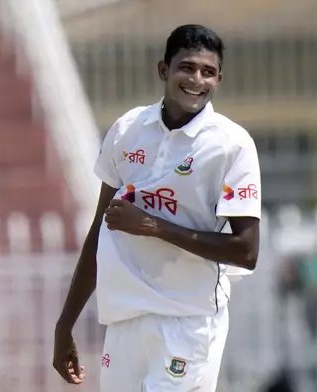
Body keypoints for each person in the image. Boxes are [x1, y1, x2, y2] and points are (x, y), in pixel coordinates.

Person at [53, 24, 261, 392]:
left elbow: (245, 251)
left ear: (219, 79)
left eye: (208, 72)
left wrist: (152, 225)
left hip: (188, 321)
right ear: (164, 69)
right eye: (187, 67)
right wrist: (65, 323)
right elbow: (100, 233)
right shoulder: (127, 130)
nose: (197, 80)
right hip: (125, 321)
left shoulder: (231, 145)